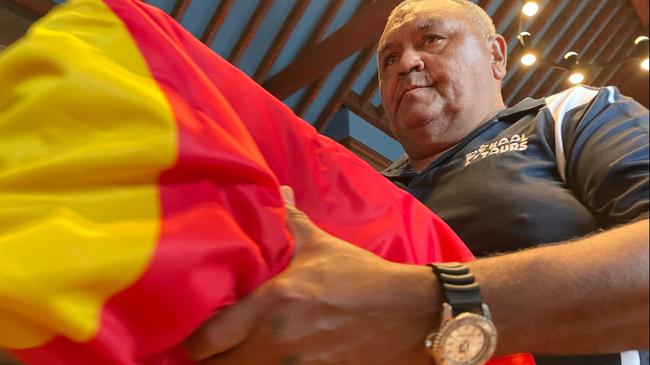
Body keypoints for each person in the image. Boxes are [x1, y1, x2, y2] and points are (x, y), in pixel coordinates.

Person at [183, 0, 649, 365]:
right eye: (388, 60)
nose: (405, 64)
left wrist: (424, 306)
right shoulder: (365, 189)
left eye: (432, 39)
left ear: (495, 55)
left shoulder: (569, 115)